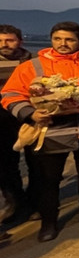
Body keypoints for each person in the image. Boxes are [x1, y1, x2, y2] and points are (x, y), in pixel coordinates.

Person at [1, 21, 79, 242]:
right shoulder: (32, 66)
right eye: (58, 39)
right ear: (51, 40)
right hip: (51, 130)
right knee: (49, 179)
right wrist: (30, 114)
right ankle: (49, 222)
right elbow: (10, 95)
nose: (63, 44)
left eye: (69, 39)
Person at [0, 24, 32, 226]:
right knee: (6, 164)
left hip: (27, 118)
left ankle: (34, 202)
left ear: (20, 40)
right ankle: (15, 203)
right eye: (0, 41)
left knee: (37, 164)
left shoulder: (32, 62)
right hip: (1, 121)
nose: (4, 44)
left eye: (9, 40)